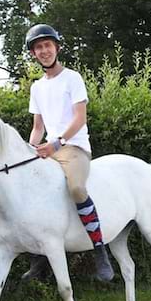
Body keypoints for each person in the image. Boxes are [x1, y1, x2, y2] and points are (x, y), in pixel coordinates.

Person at [23, 23, 114, 282]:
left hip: (74, 148)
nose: (43, 51)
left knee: (76, 189)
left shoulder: (72, 78)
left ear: (57, 47)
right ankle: (39, 256)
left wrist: (58, 142)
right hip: (50, 150)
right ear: (34, 53)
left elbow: (80, 118)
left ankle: (100, 249)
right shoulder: (36, 87)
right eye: (38, 47)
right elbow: (38, 127)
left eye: (47, 45)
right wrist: (30, 150)